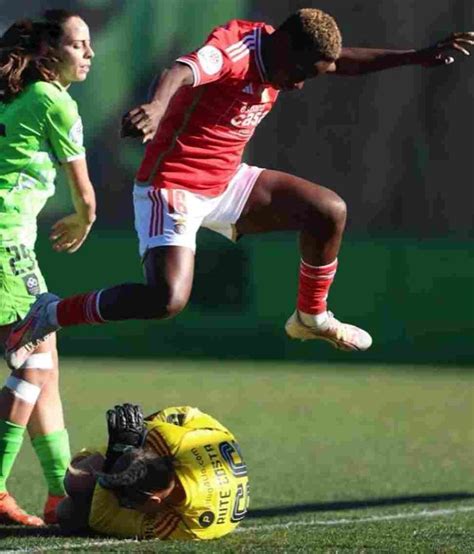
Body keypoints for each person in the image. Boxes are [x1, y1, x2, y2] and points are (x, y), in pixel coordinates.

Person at [5, 9, 474, 368]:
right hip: (173, 187)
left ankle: (310, 317)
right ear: (285, 49)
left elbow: (341, 62)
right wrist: (155, 107)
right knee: (165, 299)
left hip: (227, 181)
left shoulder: (290, 54)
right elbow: (182, 70)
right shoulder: (237, 50)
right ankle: (46, 315)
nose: (300, 86)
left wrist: (415, 57)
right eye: (303, 73)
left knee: (328, 210)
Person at [0, 10, 96, 525]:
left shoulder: (14, 94)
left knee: (44, 362)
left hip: (10, 244)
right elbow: (86, 194)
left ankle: (62, 495)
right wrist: (84, 220)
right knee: (32, 362)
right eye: (79, 44)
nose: (89, 53)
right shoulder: (52, 100)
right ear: (48, 53)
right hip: (5, 244)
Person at [57, 403, 249, 540]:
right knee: (75, 481)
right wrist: (125, 447)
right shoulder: (169, 439)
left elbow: (101, 519)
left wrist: (114, 455)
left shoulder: (192, 525)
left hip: (206, 457)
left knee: (68, 513)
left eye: (127, 503)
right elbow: (187, 414)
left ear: (154, 500)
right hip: (205, 436)